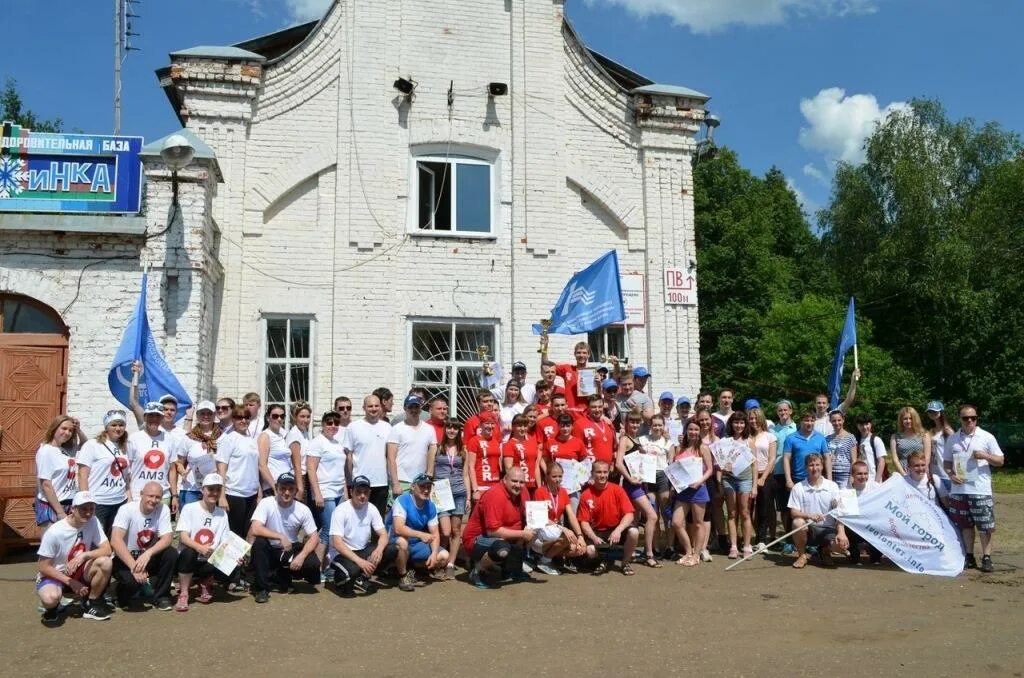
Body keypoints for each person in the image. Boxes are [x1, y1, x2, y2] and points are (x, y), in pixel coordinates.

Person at [35, 491, 113, 626]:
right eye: (83, 509)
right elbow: (43, 566)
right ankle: (53, 608)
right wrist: (70, 582)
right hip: (56, 574)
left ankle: (91, 603)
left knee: (105, 562)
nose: (88, 513)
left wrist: (84, 555)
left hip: (78, 570)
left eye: (91, 509)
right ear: (73, 509)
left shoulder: (93, 521)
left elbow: (107, 549)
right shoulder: (55, 532)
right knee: (50, 598)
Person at [943, 404, 1004, 573]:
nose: (969, 420)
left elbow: (1000, 461)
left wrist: (984, 455)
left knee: (985, 525)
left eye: (973, 417)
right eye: (965, 418)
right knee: (965, 525)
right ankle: (969, 556)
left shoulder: (987, 437)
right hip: (959, 489)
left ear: (977, 418)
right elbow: (946, 462)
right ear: (960, 419)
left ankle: (986, 557)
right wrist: (950, 474)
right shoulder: (953, 439)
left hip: (980, 489)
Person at [248, 472, 321, 603]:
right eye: (283, 488)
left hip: (288, 550)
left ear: (295, 491)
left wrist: (302, 556)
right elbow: (255, 528)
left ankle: (280, 575)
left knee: (313, 564)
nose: (286, 492)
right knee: (259, 543)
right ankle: (261, 589)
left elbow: (315, 537)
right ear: (276, 488)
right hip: (269, 549)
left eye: (290, 489)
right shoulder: (266, 503)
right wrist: (280, 536)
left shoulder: (303, 509)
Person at [462, 466, 535, 589]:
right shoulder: (495, 495)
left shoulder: (524, 492)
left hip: (504, 535)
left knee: (533, 530)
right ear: (504, 480)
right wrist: (522, 534)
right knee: (501, 548)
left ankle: (512, 569)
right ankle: (478, 572)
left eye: (521, 482)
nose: (518, 485)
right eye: (514, 481)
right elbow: (493, 532)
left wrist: (561, 527)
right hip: (477, 539)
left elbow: (531, 516)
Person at [327, 475, 400, 597]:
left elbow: (383, 534)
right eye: (358, 492)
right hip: (341, 554)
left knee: (391, 549)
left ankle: (361, 577)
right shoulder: (341, 510)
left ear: (369, 493)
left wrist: (379, 550)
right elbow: (337, 543)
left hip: (362, 550)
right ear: (351, 492)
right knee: (349, 585)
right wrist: (360, 562)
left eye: (365, 492)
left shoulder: (371, 508)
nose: (362, 496)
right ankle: (340, 580)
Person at [109, 481, 176, 610]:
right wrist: (134, 567)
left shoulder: (163, 509)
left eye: (157, 497)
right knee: (131, 587)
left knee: (170, 553)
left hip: (146, 558)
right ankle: (120, 592)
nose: (154, 500)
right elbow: (115, 540)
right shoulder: (126, 509)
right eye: (150, 496)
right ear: (141, 494)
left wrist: (148, 553)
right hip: (126, 559)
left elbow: (167, 538)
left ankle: (161, 596)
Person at [175, 473, 232, 611]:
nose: (214, 493)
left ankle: (206, 583)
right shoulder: (190, 508)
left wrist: (234, 555)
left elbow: (225, 540)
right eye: (210, 489)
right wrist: (199, 548)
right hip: (191, 556)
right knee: (189, 552)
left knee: (233, 561)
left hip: (210, 558)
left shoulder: (222, 513)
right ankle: (184, 593)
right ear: (203, 490)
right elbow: (183, 536)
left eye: (218, 489)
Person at [614, 413, 661, 567]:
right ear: (626, 423)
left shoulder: (635, 439)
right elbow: (619, 463)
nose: (634, 425)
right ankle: (649, 554)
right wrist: (629, 478)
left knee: (634, 519)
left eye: (637, 422)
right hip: (632, 486)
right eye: (632, 422)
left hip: (640, 485)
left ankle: (630, 552)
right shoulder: (624, 439)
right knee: (652, 516)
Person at [387, 473, 449, 590]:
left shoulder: (430, 506)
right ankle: (402, 576)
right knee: (402, 542)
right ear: (413, 487)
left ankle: (411, 568)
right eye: (422, 487)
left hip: (414, 543)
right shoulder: (402, 500)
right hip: (394, 540)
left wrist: (434, 553)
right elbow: (398, 528)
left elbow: (434, 533)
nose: (426, 490)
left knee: (444, 556)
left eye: (428, 487)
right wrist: (421, 534)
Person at [577, 461, 639, 576]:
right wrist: (593, 537)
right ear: (592, 473)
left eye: (605, 472)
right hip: (596, 532)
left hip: (615, 529)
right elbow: (584, 522)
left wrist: (618, 530)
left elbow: (629, 514)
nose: (602, 475)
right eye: (599, 472)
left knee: (634, 532)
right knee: (590, 551)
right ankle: (602, 560)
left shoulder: (617, 490)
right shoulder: (586, 494)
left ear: (609, 472)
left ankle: (625, 563)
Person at [427, 418, 471, 579]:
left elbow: (465, 475)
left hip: (459, 492)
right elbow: (430, 472)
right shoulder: (436, 448)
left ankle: (450, 563)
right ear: (445, 430)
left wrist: (468, 497)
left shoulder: (463, 451)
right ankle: (439, 558)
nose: (452, 431)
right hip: (441, 493)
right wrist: (428, 489)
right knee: (445, 531)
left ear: (459, 431)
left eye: (455, 428)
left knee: (456, 530)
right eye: (449, 428)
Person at [76, 410, 131, 536]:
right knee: (96, 539)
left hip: (119, 501)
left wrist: (129, 499)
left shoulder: (124, 447)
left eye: (121, 425)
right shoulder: (93, 445)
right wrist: (86, 501)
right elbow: (82, 475)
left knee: (115, 540)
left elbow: (126, 478)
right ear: (106, 427)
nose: (118, 428)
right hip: (98, 502)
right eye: (114, 425)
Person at [306, 410, 349, 571]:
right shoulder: (318, 442)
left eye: (336, 423)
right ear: (323, 424)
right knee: (328, 530)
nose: (333, 426)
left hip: (338, 493)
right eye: (329, 422)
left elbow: (341, 471)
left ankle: (328, 566)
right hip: (325, 492)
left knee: (336, 530)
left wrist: (345, 492)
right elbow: (311, 469)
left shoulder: (337, 444)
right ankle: (315, 568)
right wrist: (317, 493)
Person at [670, 420, 714, 567]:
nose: (693, 432)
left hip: (698, 489)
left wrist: (700, 481)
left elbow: (709, 469)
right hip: (682, 491)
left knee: (697, 523)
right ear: (686, 431)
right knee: (676, 522)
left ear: (700, 431)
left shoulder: (703, 448)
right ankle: (688, 551)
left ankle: (696, 555)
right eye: (690, 429)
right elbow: (674, 469)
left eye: (696, 429)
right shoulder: (680, 448)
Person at [215, 405, 263, 540]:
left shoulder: (251, 440)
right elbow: (221, 469)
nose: (243, 421)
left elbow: (254, 468)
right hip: (234, 493)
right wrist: (222, 496)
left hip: (251, 494)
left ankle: (243, 561)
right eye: (239, 417)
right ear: (233, 419)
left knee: (246, 533)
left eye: (246, 417)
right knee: (234, 536)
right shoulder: (228, 439)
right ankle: (230, 562)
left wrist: (259, 494)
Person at [788, 454, 843, 569]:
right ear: (806, 467)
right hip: (809, 529)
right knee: (797, 522)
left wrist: (837, 505)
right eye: (811, 465)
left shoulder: (832, 486)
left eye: (817, 464)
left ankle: (825, 551)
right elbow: (793, 512)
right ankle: (802, 555)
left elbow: (839, 511)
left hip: (829, 529)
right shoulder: (798, 487)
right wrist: (809, 515)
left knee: (840, 547)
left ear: (822, 467)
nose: (815, 468)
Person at [530, 463, 588, 574]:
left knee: (578, 549)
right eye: (554, 476)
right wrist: (563, 528)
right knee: (566, 536)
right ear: (547, 476)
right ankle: (545, 561)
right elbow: (539, 518)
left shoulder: (563, 492)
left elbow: (571, 515)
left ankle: (544, 557)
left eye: (560, 476)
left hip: (555, 530)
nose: (558, 480)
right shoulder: (540, 492)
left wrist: (580, 536)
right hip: (541, 530)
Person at [127, 402, 179, 513]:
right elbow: (127, 470)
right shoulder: (134, 439)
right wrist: (128, 495)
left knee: (160, 530)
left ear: (162, 418)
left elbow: (172, 470)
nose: (154, 419)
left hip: (162, 496)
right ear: (145, 417)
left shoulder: (169, 439)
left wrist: (174, 495)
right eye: (151, 415)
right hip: (138, 495)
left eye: (158, 416)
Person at [344, 395, 392, 515]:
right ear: (364, 408)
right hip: (360, 481)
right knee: (357, 517)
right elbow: (348, 455)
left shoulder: (387, 427)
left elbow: (390, 455)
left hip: (381, 481)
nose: (374, 409)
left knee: (378, 518)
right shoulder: (353, 427)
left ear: (381, 407)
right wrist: (350, 480)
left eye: (376, 406)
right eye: (370, 406)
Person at [718, 412, 757, 559]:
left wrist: (754, 487)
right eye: (736, 422)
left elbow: (754, 465)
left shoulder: (749, 442)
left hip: (745, 480)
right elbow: (721, 463)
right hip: (729, 480)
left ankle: (747, 546)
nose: (738, 425)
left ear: (745, 424)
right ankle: (733, 546)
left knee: (745, 512)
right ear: (731, 424)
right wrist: (723, 470)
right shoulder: (726, 441)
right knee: (732, 513)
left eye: (741, 423)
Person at [386, 395, 437, 499]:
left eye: (416, 407)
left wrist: (429, 474)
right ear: (405, 408)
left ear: (420, 408)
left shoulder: (429, 429)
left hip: (421, 480)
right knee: (399, 514)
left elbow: (432, 451)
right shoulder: (397, 429)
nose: (414, 410)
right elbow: (391, 458)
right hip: (402, 481)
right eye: (410, 407)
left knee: (418, 514)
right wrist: (395, 483)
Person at [35, 416, 80, 528]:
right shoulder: (46, 451)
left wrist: (78, 430)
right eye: (63, 428)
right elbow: (46, 484)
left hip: (68, 504)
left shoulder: (64, 450)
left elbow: (85, 445)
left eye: (70, 430)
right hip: (53, 506)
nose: (67, 432)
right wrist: (60, 512)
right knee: (51, 544)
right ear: (54, 428)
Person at [177, 401, 222, 508]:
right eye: (202, 413)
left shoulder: (222, 436)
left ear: (214, 415)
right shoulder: (188, 437)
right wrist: (182, 472)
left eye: (209, 413)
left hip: (215, 489)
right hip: (192, 489)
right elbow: (179, 462)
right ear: (197, 415)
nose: (205, 416)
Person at [747, 406, 777, 551]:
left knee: (764, 509)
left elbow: (772, 459)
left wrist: (763, 477)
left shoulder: (769, 436)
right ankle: (750, 537)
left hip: (765, 475)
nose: (753, 421)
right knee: (748, 509)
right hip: (748, 476)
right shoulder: (746, 437)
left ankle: (761, 540)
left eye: (756, 418)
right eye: (751, 418)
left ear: (761, 419)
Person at [769, 400, 798, 549]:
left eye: (786, 410)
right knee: (784, 508)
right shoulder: (773, 430)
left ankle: (799, 537)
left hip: (795, 473)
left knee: (797, 508)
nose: (783, 413)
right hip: (778, 472)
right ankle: (788, 538)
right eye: (780, 411)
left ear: (791, 411)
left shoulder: (797, 429)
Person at [845, 461, 882, 565]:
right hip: (855, 525)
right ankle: (855, 556)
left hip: (871, 523)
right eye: (859, 474)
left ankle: (875, 557)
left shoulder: (876, 487)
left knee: (880, 524)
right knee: (847, 526)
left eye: (865, 473)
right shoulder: (846, 491)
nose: (863, 476)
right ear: (853, 475)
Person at [545, 340, 592, 412]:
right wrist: (544, 348)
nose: (581, 355)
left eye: (584, 353)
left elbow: (596, 397)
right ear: (574, 354)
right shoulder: (567, 368)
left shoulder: (592, 373)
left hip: (585, 412)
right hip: (568, 411)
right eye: (578, 353)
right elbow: (546, 365)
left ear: (589, 355)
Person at [467, 414, 503, 504]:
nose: (490, 426)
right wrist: (475, 490)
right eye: (487, 423)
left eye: (492, 423)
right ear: (481, 425)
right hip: (481, 485)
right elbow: (470, 467)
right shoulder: (474, 441)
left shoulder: (495, 441)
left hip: (495, 485)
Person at [813, 369, 860, 435]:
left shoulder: (834, 415)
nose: (821, 405)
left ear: (828, 405)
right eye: (819, 403)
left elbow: (848, 400)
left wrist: (853, 382)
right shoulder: (810, 421)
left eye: (824, 403)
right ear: (814, 404)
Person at [257, 403, 292, 493]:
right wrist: (274, 486)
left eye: (282, 416)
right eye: (275, 416)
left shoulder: (282, 435)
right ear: (268, 418)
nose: (279, 419)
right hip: (273, 486)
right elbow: (262, 465)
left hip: (287, 483)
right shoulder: (265, 436)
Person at [502, 414, 542, 493]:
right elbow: (508, 469)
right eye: (519, 426)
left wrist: (539, 487)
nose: (523, 429)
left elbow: (536, 466)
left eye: (525, 426)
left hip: (532, 485)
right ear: (513, 427)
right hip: (518, 487)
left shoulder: (532, 442)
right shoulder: (509, 444)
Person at [574, 394, 616, 465]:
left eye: (600, 407)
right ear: (587, 408)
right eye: (593, 407)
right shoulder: (579, 424)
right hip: (589, 470)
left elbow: (614, 448)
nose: (597, 410)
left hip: (607, 471)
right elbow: (576, 449)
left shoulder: (608, 423)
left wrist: (612, 463)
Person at [890, 406, 932, 477]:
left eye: (911, 418)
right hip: (903, 471)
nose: (908, 421)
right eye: (905, 419)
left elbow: (927, 457)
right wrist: (904, 474)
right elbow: (895, 459)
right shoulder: (895, 437)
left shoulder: (924, 435)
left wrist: (921, 470)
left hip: (921, 470)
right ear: (901, 420)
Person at [924, 400, 954, 498]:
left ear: (941, 412)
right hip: (934, 472)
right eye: (930, 412)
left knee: (950, 504)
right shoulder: (930, 432)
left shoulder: (948, 431)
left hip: (947, 473)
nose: (932, 414)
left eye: (935, 411)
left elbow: (956, 452)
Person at [285, 402, 312, 502]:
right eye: (302, 416)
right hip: (299, 478)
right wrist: (300, 487)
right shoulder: (294, 434)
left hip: (306, 477)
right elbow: (297, 464)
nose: (305, 420)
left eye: (308, 417)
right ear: (295, 417)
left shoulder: (304, 433)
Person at [826, 409, 858, 487]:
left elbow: (854, 459)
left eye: (839, 420)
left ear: (843, 420)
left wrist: (852, 476)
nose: (837, 423)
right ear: (830, 421)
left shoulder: (850, 437)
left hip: (845, 475)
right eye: (834, 421)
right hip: (830, 475)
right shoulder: (827, 439)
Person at [854, 413, 887, 484]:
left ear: (870, 424)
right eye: (861, 425)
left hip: (873, 478)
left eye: (866, 424)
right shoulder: (855, 440)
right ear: (857, 426)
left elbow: (881, 461)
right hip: (860, 480)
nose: (864, 427)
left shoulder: (876, 440)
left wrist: (877, 481)